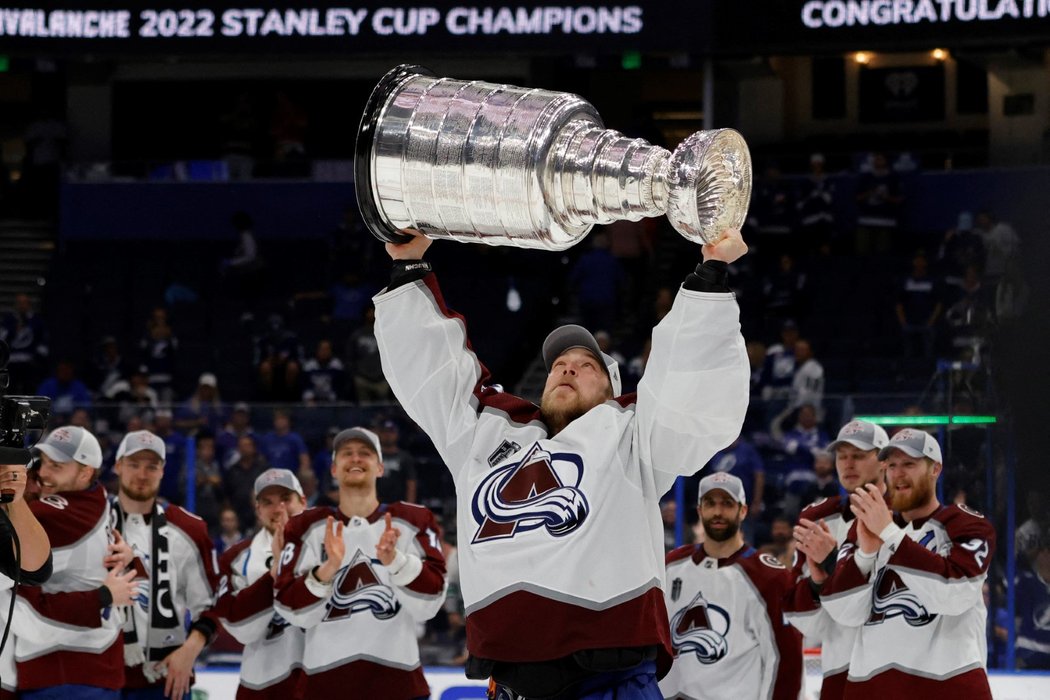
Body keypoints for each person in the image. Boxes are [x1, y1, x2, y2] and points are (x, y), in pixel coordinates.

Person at [374, 227, 750, 698]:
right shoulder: (487, 432)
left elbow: (688, 393)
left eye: (586, 364)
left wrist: (709, 276)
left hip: (609, 678)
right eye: (558, 365)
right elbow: (435, 373)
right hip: (510, 680)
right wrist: (409, 267)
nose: (567, 367)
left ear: (611, 390)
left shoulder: (632, 434)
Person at [821, 429, 996, 697]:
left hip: (947, 688)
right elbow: (843, 612)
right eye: (891, 465)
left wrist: (890, 534)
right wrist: (866, 554)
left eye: (909, 464)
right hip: (873, 689)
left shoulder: (965, 524)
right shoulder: (865, 527)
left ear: (935, 469)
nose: (898, 473)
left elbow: (954, 594)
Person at [274, 427, 447, 697]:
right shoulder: (306, 526)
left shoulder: (413, 521)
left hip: (398, 686)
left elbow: (431, 601)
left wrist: (396, 562)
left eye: (364, 453)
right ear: (333, 469)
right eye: (347, 454)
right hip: (324, 687)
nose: (355, 459)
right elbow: (290, 609)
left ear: (380, 468)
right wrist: (326, 570)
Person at [13, 427, 138, 698]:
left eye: (56, 466)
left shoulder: (57, 515)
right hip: (89, 666)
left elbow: (15, 521)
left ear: (85, 473)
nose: (44, 473)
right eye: (43, 463)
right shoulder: (99, 498)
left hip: (65, 671)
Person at [660, 473, 803, 700]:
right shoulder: (671, 566)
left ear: (743, 511)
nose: (718, 512)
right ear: (700, 511)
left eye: (727, 504)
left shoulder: (770, 577)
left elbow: (786, 659)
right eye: (710, 503)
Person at [109, 430, 220, 700]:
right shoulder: (92, 524)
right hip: (101, 677)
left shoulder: (189, 528)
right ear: (118, 466)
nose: (142, 474)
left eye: (151, 466)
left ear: (162, 471)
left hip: (165, 679)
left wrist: (189, 651)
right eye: (134, 464)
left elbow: (212, 603)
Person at [782, 420, 888, 700]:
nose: (848, 464)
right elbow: (802, 620)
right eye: (842, 456)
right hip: (840, 670)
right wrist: (817, 584)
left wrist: (831, 562)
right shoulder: (816, 519)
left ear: (883, 462)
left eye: (859, 455)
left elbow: (883, 600)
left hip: (898, 670)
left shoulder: (907, 518)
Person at [211, 469, 307, 698]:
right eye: (268, 502)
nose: (278, 509)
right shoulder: (236, 558)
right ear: (258, 510)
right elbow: (240, 629)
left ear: (303, 501)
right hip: (263, 685)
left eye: (286, 499)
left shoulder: (332, 547)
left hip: (321, 683)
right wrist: (273, 574)